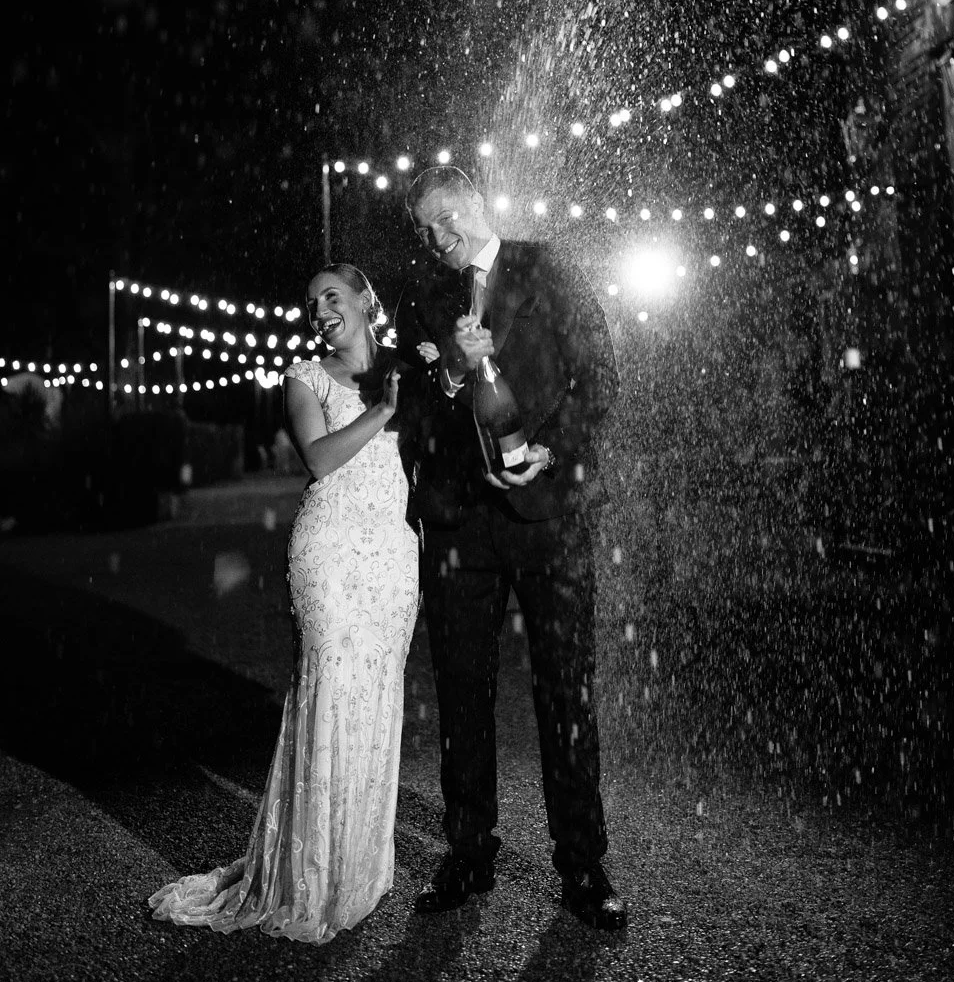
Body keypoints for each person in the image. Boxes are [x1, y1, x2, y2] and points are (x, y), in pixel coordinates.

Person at [149, 264, 419, 942]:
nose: (320, 309)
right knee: (327, 695)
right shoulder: (305, 377)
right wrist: (385, 409)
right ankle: (308, 874)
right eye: (310, 302)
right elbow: (320, 458)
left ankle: (358, 866)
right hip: (328, 554)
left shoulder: (407, 368)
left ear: (366, 301)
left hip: (392, 555)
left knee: (377, 696)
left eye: (333, 296)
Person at [394, 165, 626, 930]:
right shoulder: (421, 301)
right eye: (426, 226)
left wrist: (551, 452)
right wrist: (455, 373)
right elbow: (417, 421)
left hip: (549, 515)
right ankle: (468, 852)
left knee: (566, 691)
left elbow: (599, 378)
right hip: (462, 523)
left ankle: (583, 866)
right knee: (462, 691)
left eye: (448, 212)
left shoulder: (546, 266)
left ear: (478, 199)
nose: (440, 234)